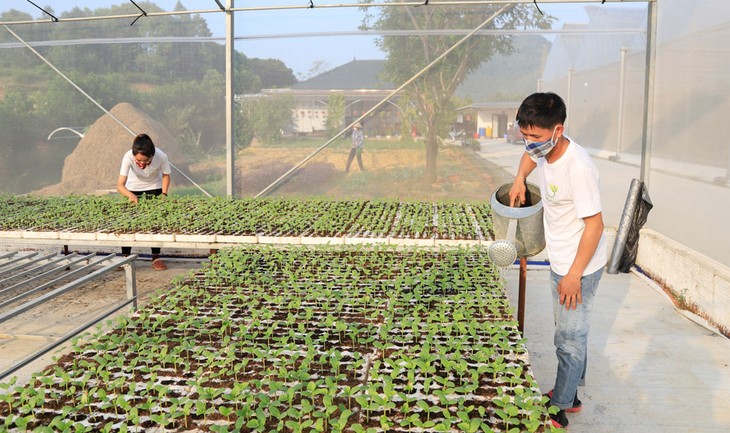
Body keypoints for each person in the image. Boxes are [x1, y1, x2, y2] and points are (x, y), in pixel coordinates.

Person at [508, 92, 607, 429]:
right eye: (525, 135)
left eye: (535, 137)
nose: (529, 143)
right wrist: (521, 178)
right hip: (562, 259)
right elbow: (527, 158)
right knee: (572, 332)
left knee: (568, 338)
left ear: (558, 130)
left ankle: (561, 407)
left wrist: (574, 275)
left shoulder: (578, 168)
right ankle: (573, 394)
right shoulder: (543, 149)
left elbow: (595, 225)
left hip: (580, 266)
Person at [116, 133, 172, 270]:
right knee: (128, 224)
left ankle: (156, 257)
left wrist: (164, 194)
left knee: (155, 223)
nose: (141, 164)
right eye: (138, 161)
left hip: (155, 187)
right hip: (133, 188)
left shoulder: (161, 156)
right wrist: (130, 195)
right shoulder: (128, 156)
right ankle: (125, 257)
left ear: (152, 156)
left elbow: (166, 175)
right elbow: (120, 184)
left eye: (145, 162)